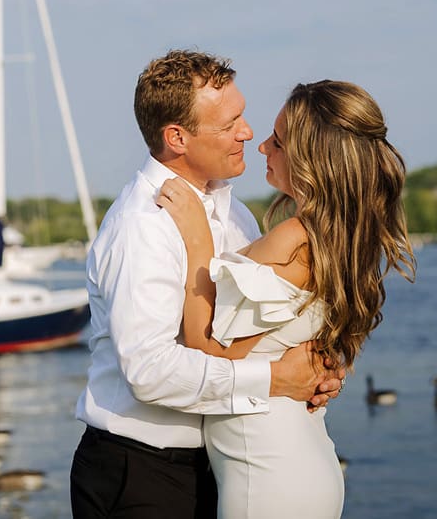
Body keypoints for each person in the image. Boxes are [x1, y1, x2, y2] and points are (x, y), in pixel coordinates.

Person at [70, 50, 345, 519]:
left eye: (242, 114)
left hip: (218, 467)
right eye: (229, 123)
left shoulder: (236, 214)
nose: (248, 132)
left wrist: (317, 368)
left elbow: (248, 331)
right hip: (142, 473)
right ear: (176, 137)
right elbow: (150, 372)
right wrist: (276, 379)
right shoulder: (143, 227)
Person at [157, 79, 417, 518]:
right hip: (300, 461)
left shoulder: (295, 238)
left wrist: (198, 238)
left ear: (311, 160)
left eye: (277, 141)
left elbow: (211, 350)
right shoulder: (337, 241)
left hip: (268, 475)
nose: (261, 147)